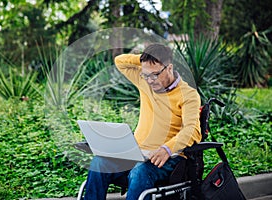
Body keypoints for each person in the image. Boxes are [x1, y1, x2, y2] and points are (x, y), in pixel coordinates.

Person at [83, 43, 201, 200]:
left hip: (170, 158)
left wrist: (167, 149)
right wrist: (146, 59)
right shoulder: (144, 81)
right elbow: (120, 61)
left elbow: (192, 130)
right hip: (137, 154)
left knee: (140, 171)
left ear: (169, 68)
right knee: (100, 162)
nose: (150, 80)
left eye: (155, 74)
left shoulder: (188, 95)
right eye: (146, 75)